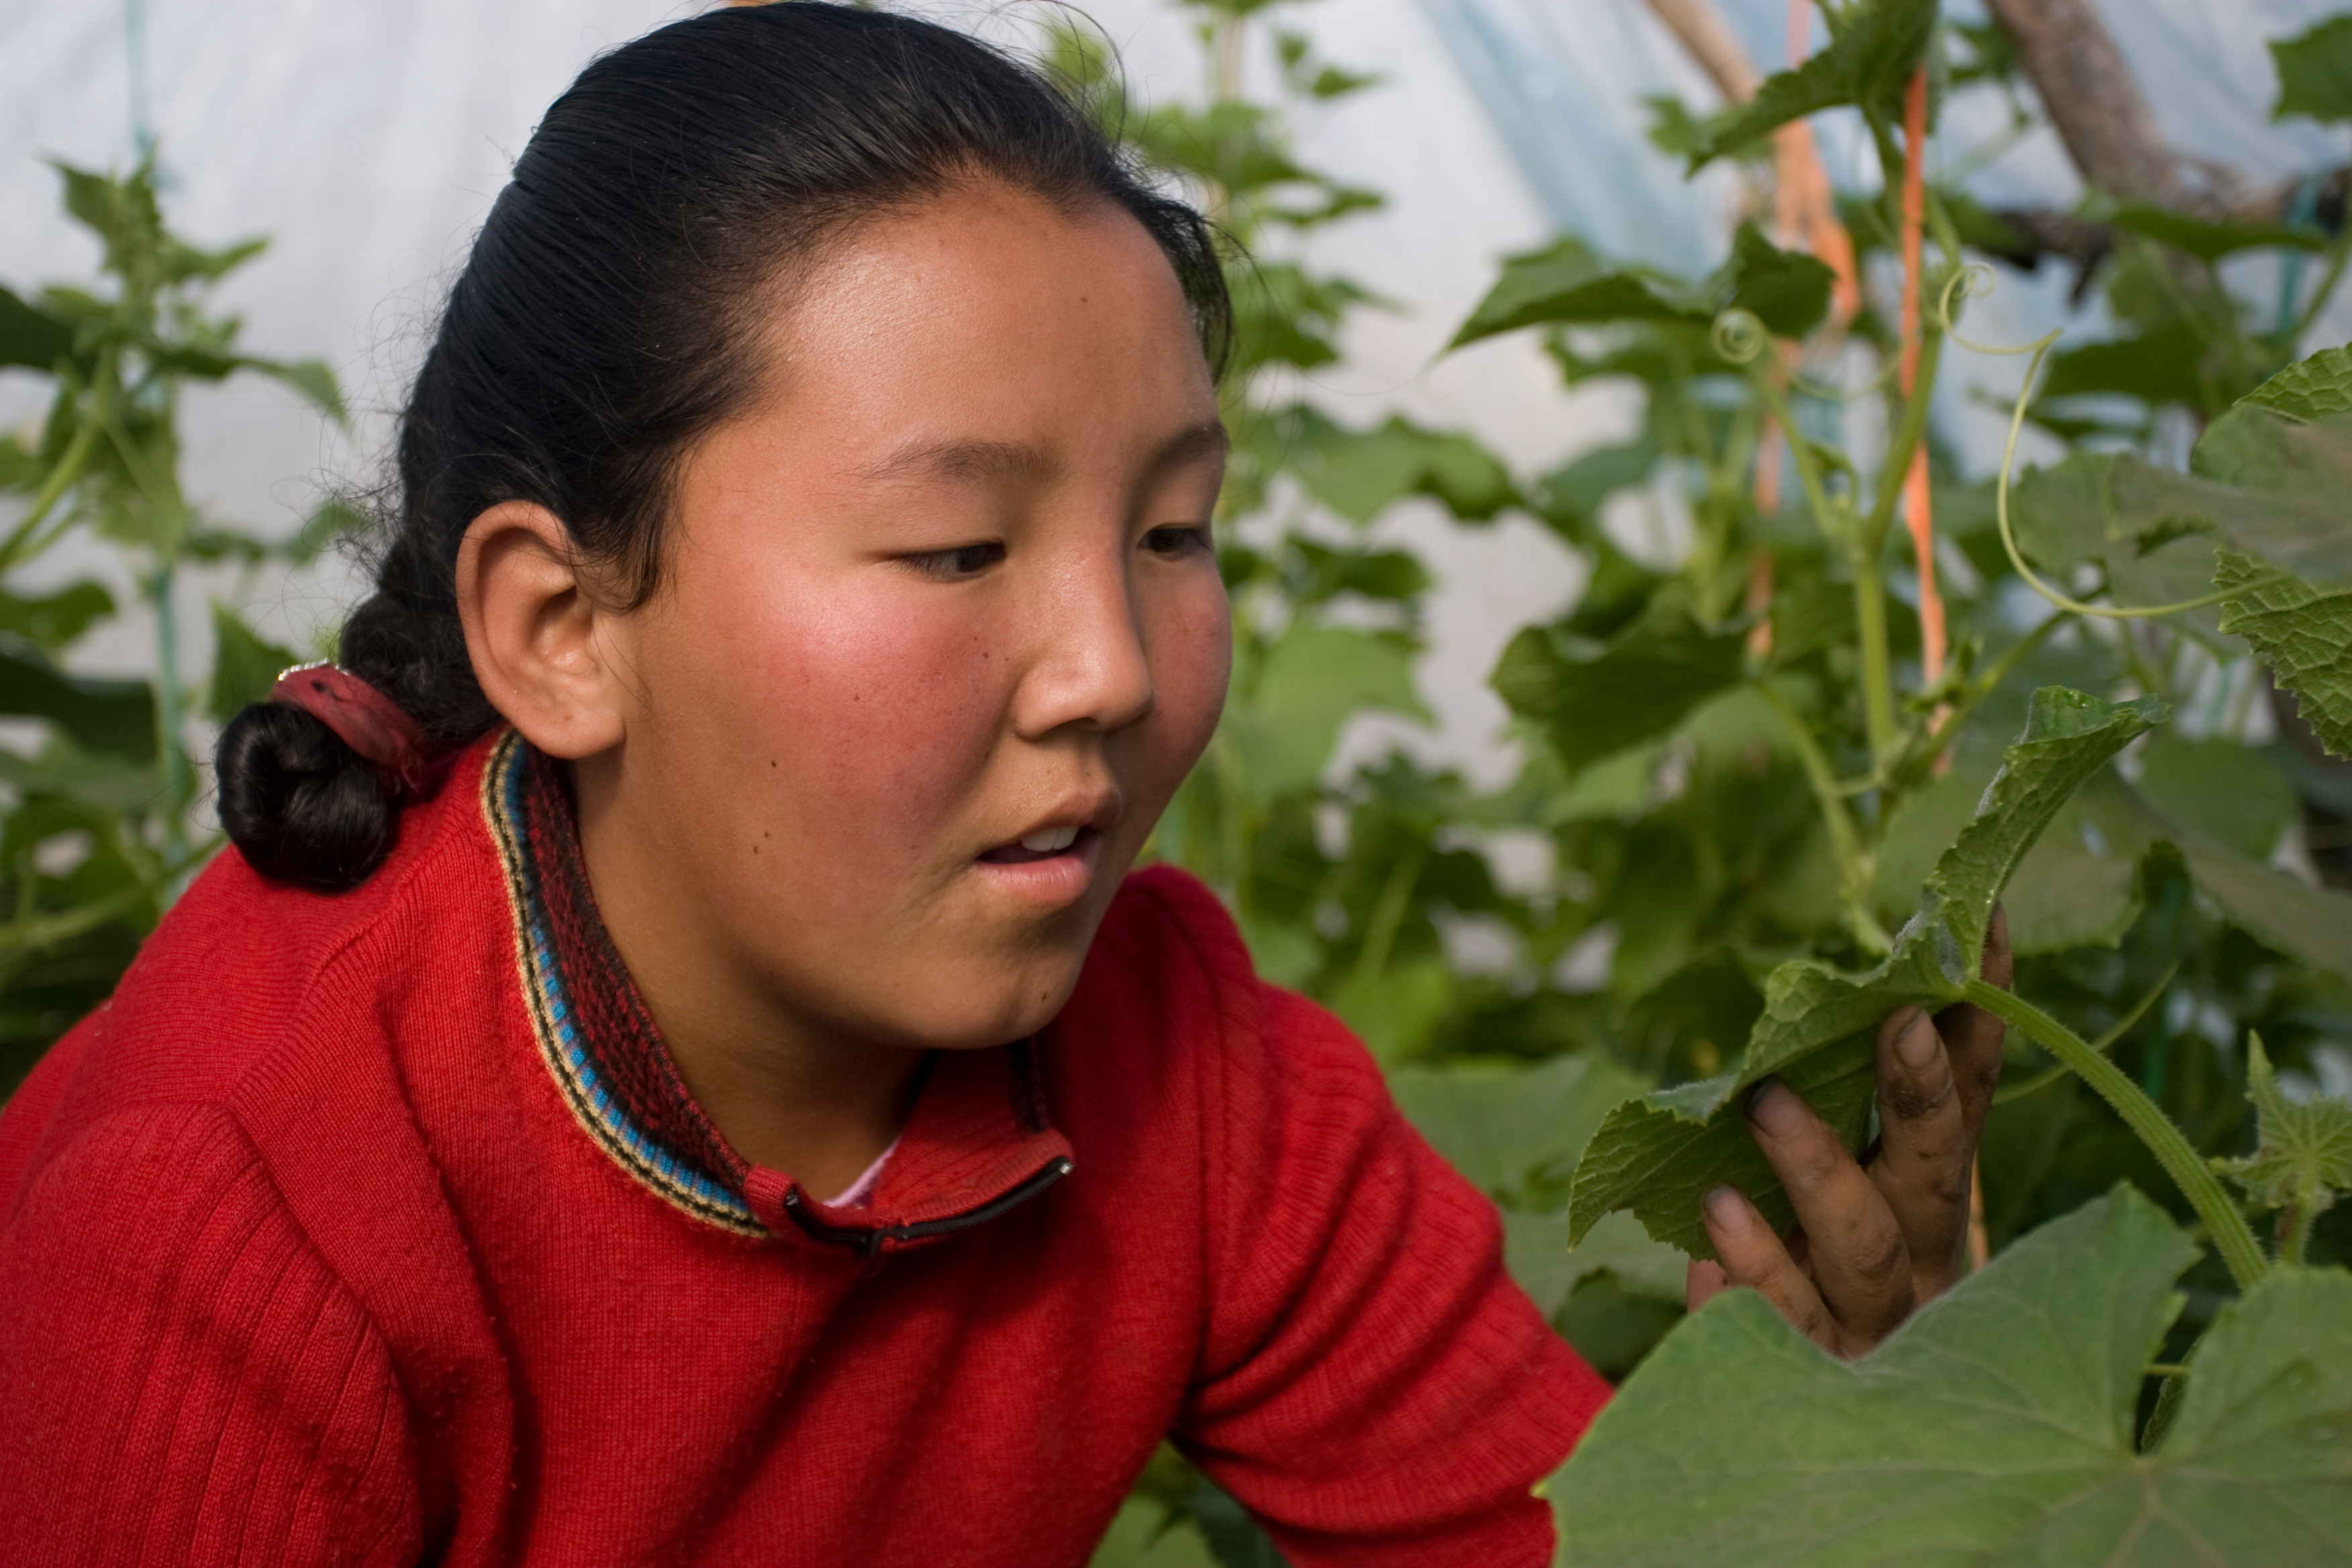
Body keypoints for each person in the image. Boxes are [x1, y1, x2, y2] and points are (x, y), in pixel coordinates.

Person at [0, 5, 2009, 1564]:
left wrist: (1820, 1483)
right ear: (560, 628)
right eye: (960, 551)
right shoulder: (236, 1230)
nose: (1117, 673)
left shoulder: (1180, 1063)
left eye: (1174, 533)